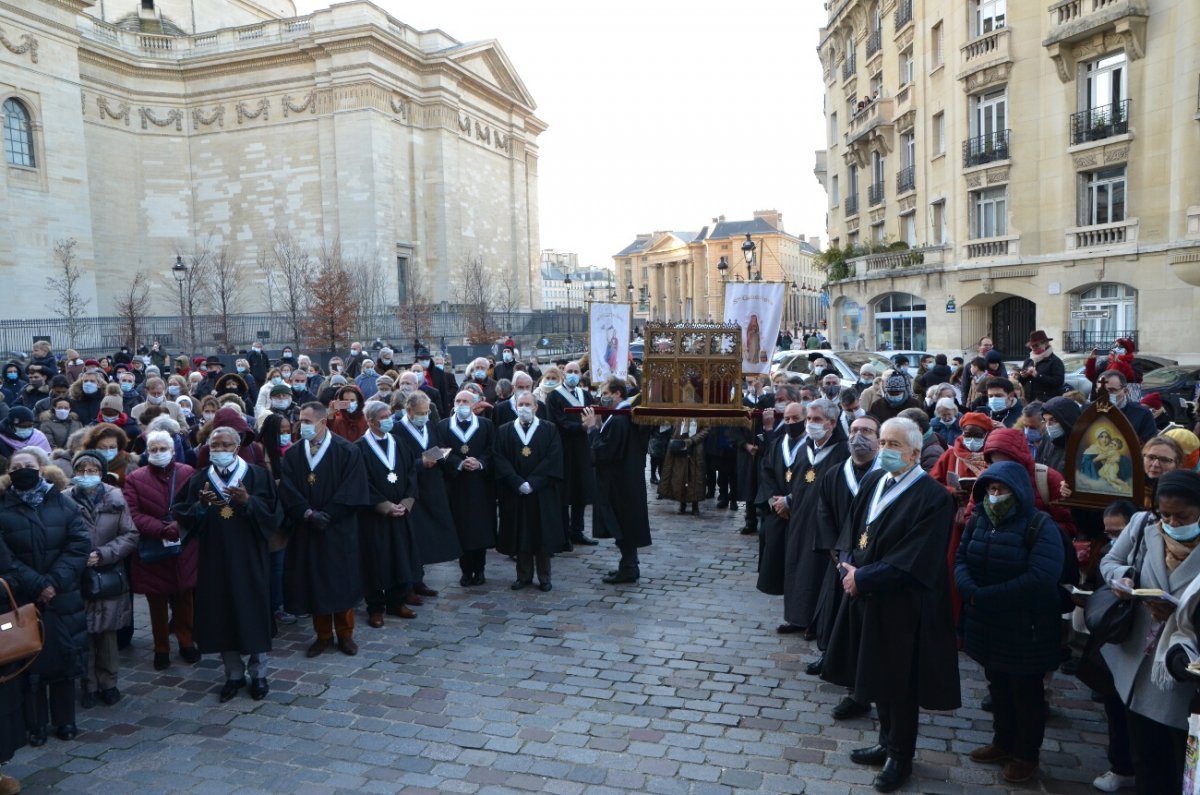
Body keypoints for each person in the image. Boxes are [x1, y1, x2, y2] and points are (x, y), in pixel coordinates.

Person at [823, 417, 960, 793]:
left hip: (903, 605)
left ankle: (900, 755)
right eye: (882, 442)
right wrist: (847, 565)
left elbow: (915, 557)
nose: (884, 450)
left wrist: (863, 578)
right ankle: (884, 742)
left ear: (915, 453)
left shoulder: (933, 498)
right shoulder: (875, 480)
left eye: (894, 445)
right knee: (876, 673)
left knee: (900, 682)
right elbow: (855, 528)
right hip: (866, 594)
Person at [956, 461, 1065, 784]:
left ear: (1017, 491)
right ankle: (1002, 742)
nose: (995, 495)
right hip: (988, 623)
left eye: (1001, 489)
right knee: (998, 685)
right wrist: (970, 590)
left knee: (1026, 692)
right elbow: (962, 558)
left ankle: (1025, 754)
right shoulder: (979, 520)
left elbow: (1041, 577)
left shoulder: (1039, 525)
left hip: (1026, 625)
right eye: (990, 489)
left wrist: (986, 596)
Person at [1101, 470, 1200, 794]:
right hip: (1140, 661)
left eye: (1182, 515)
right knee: (1146, 757)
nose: (1171, 521)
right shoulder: (1145, 524)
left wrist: (1184, 612)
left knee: (1181, 764)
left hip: (1182, 667)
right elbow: (1111, 559)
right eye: (1166, 513)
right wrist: (1124, 578)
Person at [172, 425, 280, 702]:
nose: (219, 451)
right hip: (214, 559)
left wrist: (248, 502)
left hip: (250, 557)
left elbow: (274, 514)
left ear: (237, 447)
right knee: (222, 615)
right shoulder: (199, 480)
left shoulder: (257, 476)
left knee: (253, 613)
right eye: (215, 446)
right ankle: (233, 674)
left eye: (226, 446)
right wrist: (200, 507)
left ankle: (259, 674)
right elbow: (182, 513)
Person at [0, 448, 89, 746]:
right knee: (28, 661)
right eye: (16, 466)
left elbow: (78, 543)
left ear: (41, 468)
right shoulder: (3, 507)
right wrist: (36, 583)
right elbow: (5, 557)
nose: (23, 470)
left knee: (65, 657)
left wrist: (55, 580)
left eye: (29, 465)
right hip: (24, 597)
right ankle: (34, 724)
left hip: (62, 595)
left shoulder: (62, 503)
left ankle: (65, 720)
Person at [279, 402, 372, 657]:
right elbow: (288, 488)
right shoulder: (294, 454)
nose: (302, 426)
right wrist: (307, 513)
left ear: (322, 422)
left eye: (307, 421)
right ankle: (321, 635)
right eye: (300, 421)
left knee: (340, 581)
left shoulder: (347, 451)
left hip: (338, 529)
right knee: (314, 583)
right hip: (307, 529)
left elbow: (353, 487)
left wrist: (329, 514)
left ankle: (345, 634)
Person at [809, 414, 880, 719]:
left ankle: (859, 690)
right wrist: (835, 552)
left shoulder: (883, 476)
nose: (858, 436)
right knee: (833, 613)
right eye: (853, 430)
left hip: (869, 562)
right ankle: (831, 658)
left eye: (866, 431)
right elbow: (823, 511)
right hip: (841, 556)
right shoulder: (836, 473)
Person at [67, 450, 138, 708]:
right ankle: (88, 684)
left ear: (101, 472)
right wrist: (77, 557)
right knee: (83, 632)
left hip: (108, 574)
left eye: (92, 470)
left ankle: (109, 682)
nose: (87, 475)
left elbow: (130, 535)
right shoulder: (65, 499)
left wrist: (104, 554)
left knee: (107, 633)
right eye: (82, 470)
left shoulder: (115, 497)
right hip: (78, 576)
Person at [781, 398, 850, 636]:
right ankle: (796, 616)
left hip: (825, 522)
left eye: (817, 419)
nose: (811, 424)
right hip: (800, 518)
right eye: (809, 419)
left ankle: (816, 622)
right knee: (797, 565)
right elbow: (798, 481)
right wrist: (788, 500)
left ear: (831, 423)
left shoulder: (842, 451)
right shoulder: (805, 447)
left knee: (818, 571)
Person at [355, 401, 420, 628]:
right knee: (376, 560)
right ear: (371, 421)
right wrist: (384, 505)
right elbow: (360, 483)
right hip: (376, 517)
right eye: (383, 416)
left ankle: (397, 601)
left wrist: (405, 502)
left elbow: (411, 472)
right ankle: (375, 607)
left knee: (400, 557)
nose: (388, 419)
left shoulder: (399, 443)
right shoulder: (359, 448)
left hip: (402, 512)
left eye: (389, 415)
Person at [392, 391, 460, 605]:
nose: (424, 415)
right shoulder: (397, 430)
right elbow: (396, 463)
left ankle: (419, 580)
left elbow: (439, 447)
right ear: (409, 411)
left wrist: (440, 455)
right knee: (411, 538)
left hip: (432, 486)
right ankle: (408, 585)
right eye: (420, 412)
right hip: (411, 490)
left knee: (425, 538)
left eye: (427, 411)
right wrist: (420, 463)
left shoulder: (430, 426)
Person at [494, 391, 566, 592]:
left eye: (528, 404)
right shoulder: (504, 430)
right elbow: (500, 459)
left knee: (541, 534)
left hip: (541, 492)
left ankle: (544, 577)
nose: (524, 408)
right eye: (521, 404)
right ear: (515, 407)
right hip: (515, 491)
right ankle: (523, 576)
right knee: (521, 534)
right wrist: (517, 482)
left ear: (536, 407)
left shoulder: (549, 429)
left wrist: (533, 482)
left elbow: (553, 458)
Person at [583, 378, 651, 584]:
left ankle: (629, 567)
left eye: (605, 393)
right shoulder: (619, 416)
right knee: (623, 525)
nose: (602, 397)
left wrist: (592, 429)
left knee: (623, 525)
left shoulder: (620, 419)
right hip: (622, 481)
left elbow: (604, 452)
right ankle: (628, 564)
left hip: (620, 483)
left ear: (617, 394)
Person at [440, 391, 497, 587]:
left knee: (479, 529)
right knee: (461, 529)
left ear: (474, 405)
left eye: (465, 401)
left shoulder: (485, 425)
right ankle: (465, 570)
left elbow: (493, 449)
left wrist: (480, 462)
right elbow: (439, 450)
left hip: (480, 485)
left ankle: (480, 569)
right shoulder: (443, 425)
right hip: (456, 485)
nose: (461, 404)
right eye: (458, 401)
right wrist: (458, 463)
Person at [757, 400, 806, 600]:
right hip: (777, 511)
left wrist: (791, 501)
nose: (791, 422)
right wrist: (775, 503)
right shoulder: (778, 444)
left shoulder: (811, 446)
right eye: (786, 419)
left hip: (800, 512)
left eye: (796, 418)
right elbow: (766, 475)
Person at [545, 361, 598, 547]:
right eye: (570, 372)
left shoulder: (585, 395)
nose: (573, 374)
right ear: (563, 374)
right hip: (563, 448)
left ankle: (578, 530)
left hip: (582, 447)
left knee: (581, 489)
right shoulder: (554, 396)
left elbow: (592, 417)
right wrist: (580, 427)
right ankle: (563, 533)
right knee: (564, 492)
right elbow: (556, 422)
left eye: (576, 371)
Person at [658, 420, 709, 515]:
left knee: (695, 476)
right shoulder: (678, 408)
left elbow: (706, 428)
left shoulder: (702, 410)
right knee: (680, 475)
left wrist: (693, 440)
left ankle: (695, 504)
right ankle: (682, 503)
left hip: (695, 449)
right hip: (680, 445)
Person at [1097, 369, 1157, 443]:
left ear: (1125, 391)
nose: (1105, 395)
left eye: (1112, 390)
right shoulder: (1087, 410)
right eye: (1101, 390)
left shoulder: (1142, 414)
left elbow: (1150, 446)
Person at [1017, 330, 1065, 403]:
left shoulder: (1055, 361)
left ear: (1046, 343)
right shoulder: (1029, 361)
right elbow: (1021, 382)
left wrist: (1037, 375)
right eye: (1032, 346)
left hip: (1047, 402)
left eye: (1036, 345)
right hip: (1029, 401)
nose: (1034, 348)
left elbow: (1058, 382)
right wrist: (1022, 376)